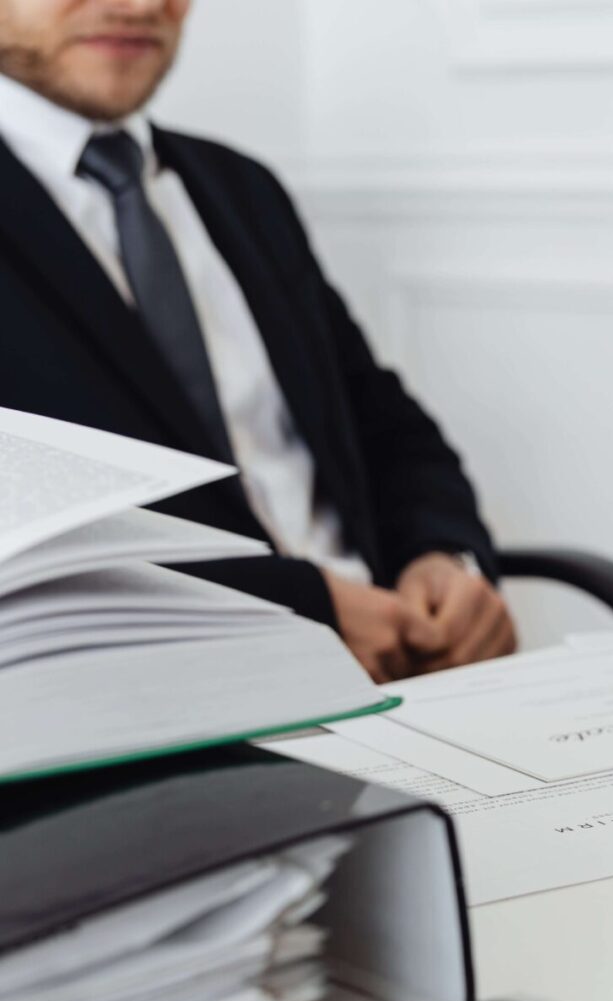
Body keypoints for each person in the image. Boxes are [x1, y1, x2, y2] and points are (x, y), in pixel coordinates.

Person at [0, 0, 515, 681]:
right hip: (157, 710)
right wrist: (309, 606)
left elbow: (383, 426)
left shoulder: (242, 188)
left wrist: (444, 557)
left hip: (400, 674)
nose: (141, 5)